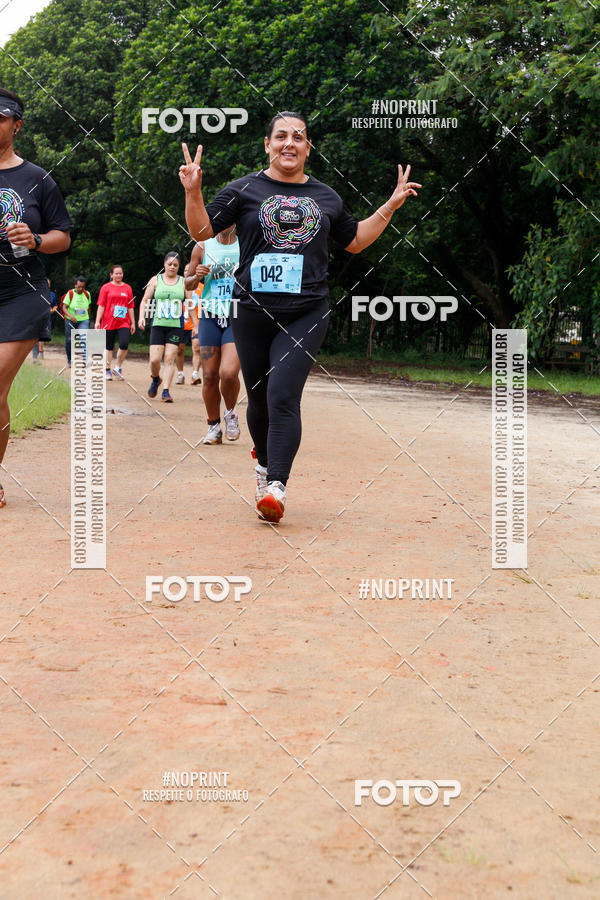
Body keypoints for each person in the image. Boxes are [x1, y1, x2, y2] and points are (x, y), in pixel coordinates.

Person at [180, 111, 421, 522]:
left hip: (305, 312)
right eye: (281, 136)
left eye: (298, 137)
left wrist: (390, 205)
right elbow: (201, 231)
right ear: (267, 145)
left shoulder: (326, 196)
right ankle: (262, 466)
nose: (289, 143)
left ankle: (277, 486)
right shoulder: (243, 190)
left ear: (308, 147)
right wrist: (194, 191)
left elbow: (355, 240)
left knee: (283, 394)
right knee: (259, 400)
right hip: (251, 311)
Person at [0, 87, 72, 509]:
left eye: (0, 118)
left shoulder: (37, 179)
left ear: (17, 125)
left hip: (21, 292)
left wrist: (37, 238)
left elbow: (63, 236)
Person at [184, 225, 241, 444]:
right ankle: (213, 425)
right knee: (209, 375)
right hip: (210, 315)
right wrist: (196, 276)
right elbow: (187, 283)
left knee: (228, 373)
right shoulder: (202, 246)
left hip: (236, 316)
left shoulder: (245, 244)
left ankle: (231, 413)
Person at [138, 251, 185, 403]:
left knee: (169, 358)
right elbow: (145, 300)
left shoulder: (183, 282)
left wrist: (196, 324)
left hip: (175, 326)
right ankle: (156, 379)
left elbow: (191, 304)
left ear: (178, 267)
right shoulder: (155, 280)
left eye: (175, 265)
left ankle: (166, 391)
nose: (172, 267)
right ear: (164, 264)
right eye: (169, 264)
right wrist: (141, 317)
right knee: (154, 360)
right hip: (158, 324)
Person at [95, 264, 135, 380]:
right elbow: (101, 305)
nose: (119, 275)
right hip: (108, 321)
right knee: (109, 347)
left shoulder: (127, 288)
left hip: (123, 321)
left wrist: (133, 322)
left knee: (124, 344)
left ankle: (118, 367)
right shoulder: (106, 288)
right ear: (111, 275)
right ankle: (107, 369)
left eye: (120, 273)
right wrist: (97, 321)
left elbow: (130, 306)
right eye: (116, 273)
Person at [175, 263, 201, 385]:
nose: (187, 272)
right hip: (181, 322)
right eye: (185, 270)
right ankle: (180, 374)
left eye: (189, 270)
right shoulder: (177, 286)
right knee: (179, 349)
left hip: (197, 322)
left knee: (197, 347)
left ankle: (195, 374)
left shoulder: (202, 288)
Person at [62, 275, 91, 367]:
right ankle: (70, 360)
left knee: (83, 338)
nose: (80, 289)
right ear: (75, 285)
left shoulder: (87, 294)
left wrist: (88, 318)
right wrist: (70, 316)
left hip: (83, 320)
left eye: (82, 287)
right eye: (79, 287)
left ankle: (84, 360)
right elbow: (64, 307)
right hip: (70, 320)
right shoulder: (70, 293)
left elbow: (88, 307)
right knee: (69, 340)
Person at [31, 276, 57, 362]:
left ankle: (41, 352)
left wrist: (53, 310)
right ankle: (35, 356)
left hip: (47, 318)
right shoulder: (37, 292)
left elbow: (55, 305)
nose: (47, 286)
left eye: (49, 284)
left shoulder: (52, 294)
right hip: (36, 316)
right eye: (46, 284)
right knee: (35, 336)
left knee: (43, 335)